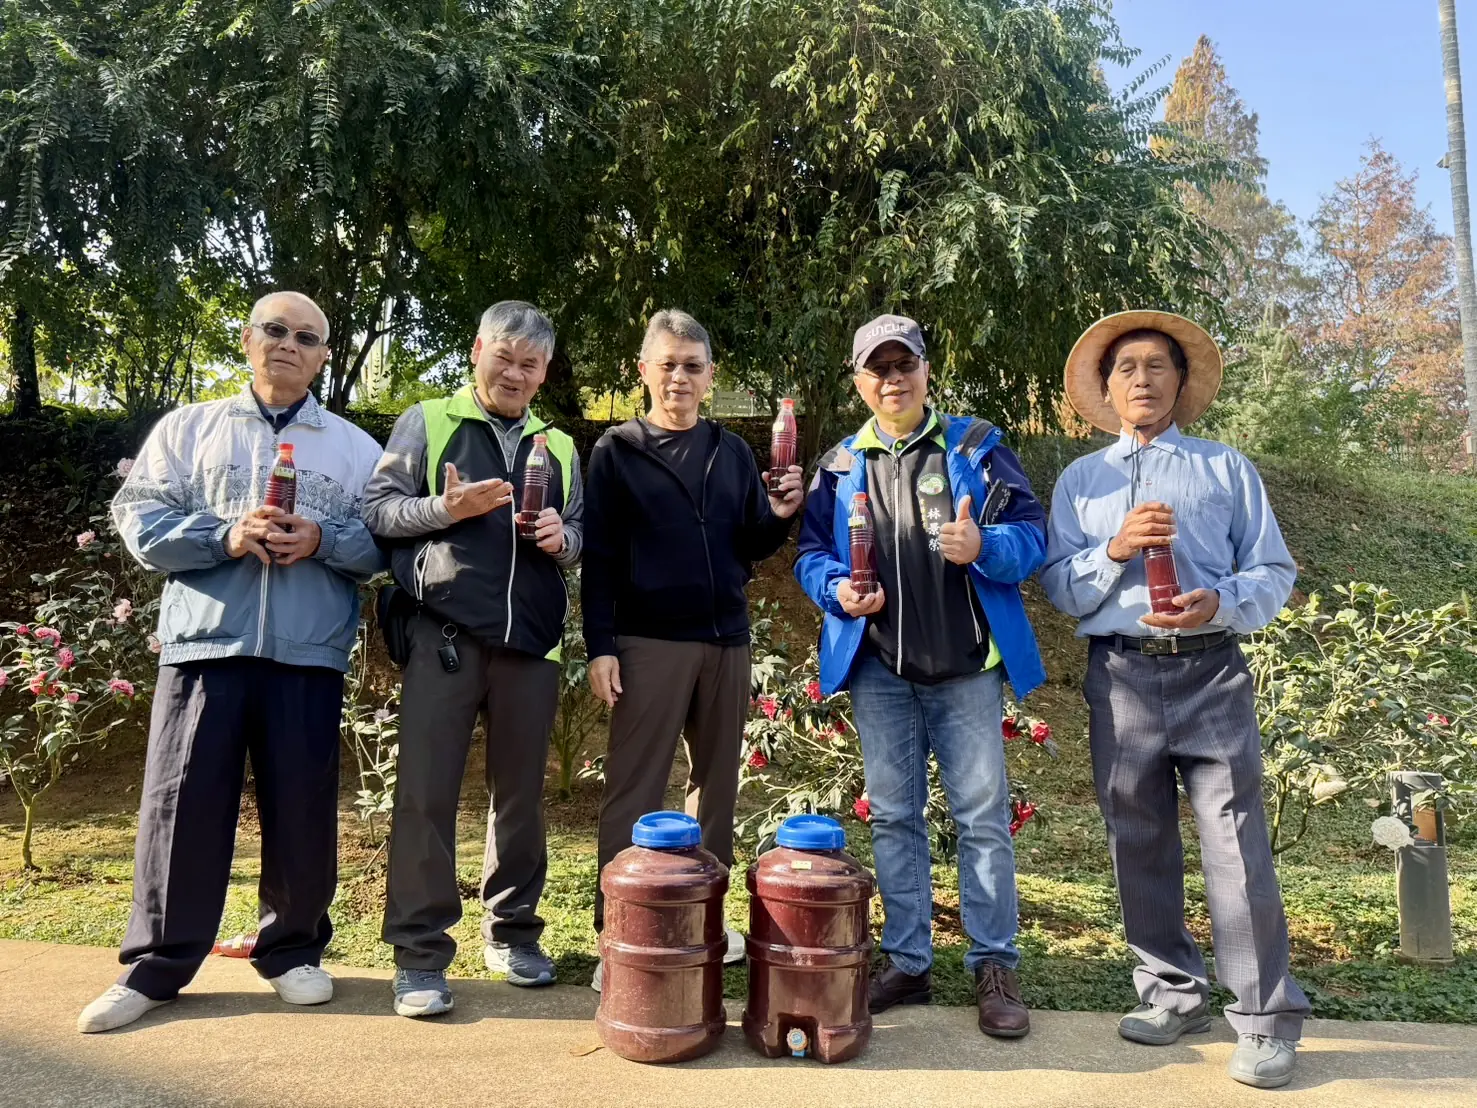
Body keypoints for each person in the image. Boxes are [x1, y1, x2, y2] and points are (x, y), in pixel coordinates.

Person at [80, 291, 386, 1034]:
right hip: (204, 645)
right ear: (248, 340)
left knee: (303, 806)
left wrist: (323, 540)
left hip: (308, 653)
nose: (289, 344)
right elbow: (140, 522)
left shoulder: (355, 449)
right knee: (181, 804)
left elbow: (387, 546)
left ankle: (293, 952)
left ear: (322, 357)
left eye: (307, 337)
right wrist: (222, 535)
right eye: (275, 330)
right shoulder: (191, 429)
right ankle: (157, 964)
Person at [1040, 311, 1309, 1090]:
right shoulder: (1080, 481)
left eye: (1157, 366)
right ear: (1106, 387)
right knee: (1137, 838)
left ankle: (1262, 1021)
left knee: (1235, 844)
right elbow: (1058, 585)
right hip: (1120, 675)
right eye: (1125, 368)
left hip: (1210, 673)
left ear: (1181, 384)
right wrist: (1115, 550)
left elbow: (1270, 571)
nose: (1142, 380)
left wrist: (1214, 604)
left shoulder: (1225, 470)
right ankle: (1170, 993)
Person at [793, 314, 1047, 1039]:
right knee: (896, 819)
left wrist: (982, 545)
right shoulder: (840, 465)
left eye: (904, 364)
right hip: (880, 670)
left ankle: (994, 965)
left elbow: (1031, 538)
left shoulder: (975, 445)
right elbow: (810, 554)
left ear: (927, 371)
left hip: (966, 670)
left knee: (981, 822)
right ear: (858, 381)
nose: (892, 378)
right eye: (877, 368)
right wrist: (835, 588)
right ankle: (907, 959)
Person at [363, 300, 581, 1017]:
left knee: (519, 799)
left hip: (532, 645)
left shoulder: (561, 444)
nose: (514, 373)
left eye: (530, 363)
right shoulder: (428, 420)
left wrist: (562, 535)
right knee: (427, 796)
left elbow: (582, 537)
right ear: (477, 350)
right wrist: (444, 510)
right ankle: (419, 955)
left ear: (544, 369)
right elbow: (379, 513)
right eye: (504, 358)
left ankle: (513, 933)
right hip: (444, 637)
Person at [582, 309, 803, 989]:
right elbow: (600, 559)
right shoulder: (616, 451)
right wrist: (600, 646)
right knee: (636, 790)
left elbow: (748, 544)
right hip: (649, 641)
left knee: (716, 791)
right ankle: (618, 933)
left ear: (710, 377)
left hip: (725, 642)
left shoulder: (731, 451)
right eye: (667, 364)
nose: (679, 377)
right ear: (642, 370)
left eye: (692, 366)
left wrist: (783, 516)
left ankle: (703, 920)